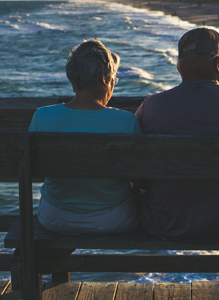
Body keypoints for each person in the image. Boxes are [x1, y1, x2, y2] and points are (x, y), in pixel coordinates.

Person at [135, 28, 219, 241]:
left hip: (165, 224)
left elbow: (136, 170)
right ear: (218, 65)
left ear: (179, 68)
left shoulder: (150, 106)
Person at [29, 39, 141, 235]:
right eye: (114, 78)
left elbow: (35, 172)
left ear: (72, 78)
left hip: (55, 218)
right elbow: (139, 178)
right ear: (103, 78)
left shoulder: (42, 116)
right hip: (114, 220)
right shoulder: (126, 122)